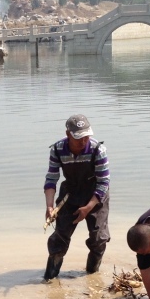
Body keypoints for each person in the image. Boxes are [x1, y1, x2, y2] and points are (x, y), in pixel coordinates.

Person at [43, 114, 110, 280]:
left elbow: (103, 182)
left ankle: (92, 276)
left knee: (98, 237)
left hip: (95, 193)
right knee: (60, 236)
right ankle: (50, 278)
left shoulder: (97, 150)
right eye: (79, 137)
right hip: (70, 193)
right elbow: (51, 179)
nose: (83, 141)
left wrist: (88, 208)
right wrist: (50, 206)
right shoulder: (57, 150)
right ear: (68, 134)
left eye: (86, 136)